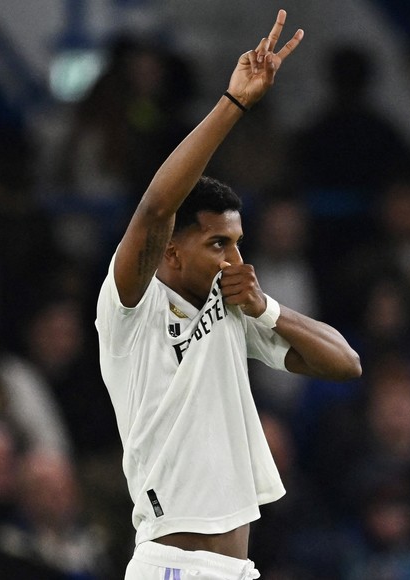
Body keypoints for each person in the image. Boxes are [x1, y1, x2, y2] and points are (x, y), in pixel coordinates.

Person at [94, 10, 362, 580]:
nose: (235, 260)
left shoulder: (235, 312)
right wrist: (234, 105)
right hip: (174, 565)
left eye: (238, 243)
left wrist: (266, 308)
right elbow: (157, 208)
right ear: (170, 250)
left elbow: (346, 364)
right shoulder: (129, 308)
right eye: (218, 244)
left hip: (238, 570)